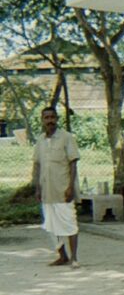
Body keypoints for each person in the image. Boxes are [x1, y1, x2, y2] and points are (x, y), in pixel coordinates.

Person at [32, 106, 81, 268]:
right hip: (47, 190)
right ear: (42, 120)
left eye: (52, 117)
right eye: (46, 118)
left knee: (69, 222)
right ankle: (62, 256)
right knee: (51, 225)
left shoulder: (66, 138)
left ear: (57, 119)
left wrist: (70, 187)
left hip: (62, 188)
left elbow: (73, 163)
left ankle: (74, 258)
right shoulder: (40, 140)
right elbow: (37, 165)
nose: (50, 121)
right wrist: (37, 188)